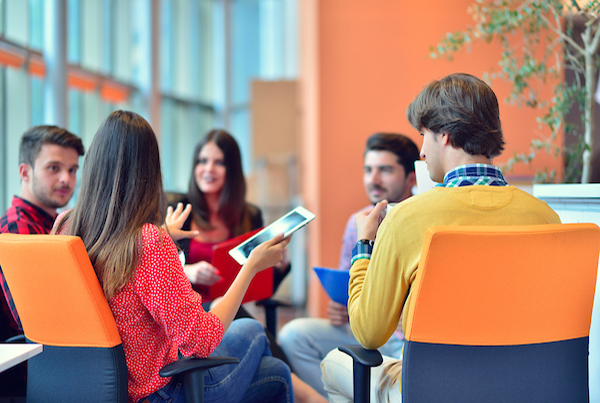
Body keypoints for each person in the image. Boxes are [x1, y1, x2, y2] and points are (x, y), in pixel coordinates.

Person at [320, 73, 561, 403]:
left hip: (431, 390)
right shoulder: (544, 217)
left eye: (423, 135)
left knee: (334, 364)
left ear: (444, 136)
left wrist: (364, 245)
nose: (421, 151)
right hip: (523, 388)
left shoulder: (408, 218)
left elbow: (368, 332)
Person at [53, 110, 293, 403]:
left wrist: (164, 232)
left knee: (276, 371)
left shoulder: (66, 224)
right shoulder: (149, 242)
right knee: (254, 330)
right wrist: (251, 266)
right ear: (149, 170)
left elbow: (115, 246)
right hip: (161, 391)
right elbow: (201, 341)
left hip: (96, 388)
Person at [167, 129, 325, 403]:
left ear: (233, 169)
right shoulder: (178, 208)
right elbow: (155, 266)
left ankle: (303, 393)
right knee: (246, 326)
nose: (209, 169)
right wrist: (188, 271)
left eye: (219, 163)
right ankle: (308, 395)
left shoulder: (248, 214)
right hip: (192, 315)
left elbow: (260, 288)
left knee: (266, 359)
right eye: (202, 161)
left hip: (231, 306)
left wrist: (277, 267)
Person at [277, 132, 420, 397]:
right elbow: (349, 282)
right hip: (361, 329)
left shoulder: (421, 219)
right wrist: (340, 306)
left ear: (411, 177)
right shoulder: (357, 221)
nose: (373, 179)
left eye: (385, 170)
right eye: (368, 170)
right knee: (293, 336)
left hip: (408, 336)